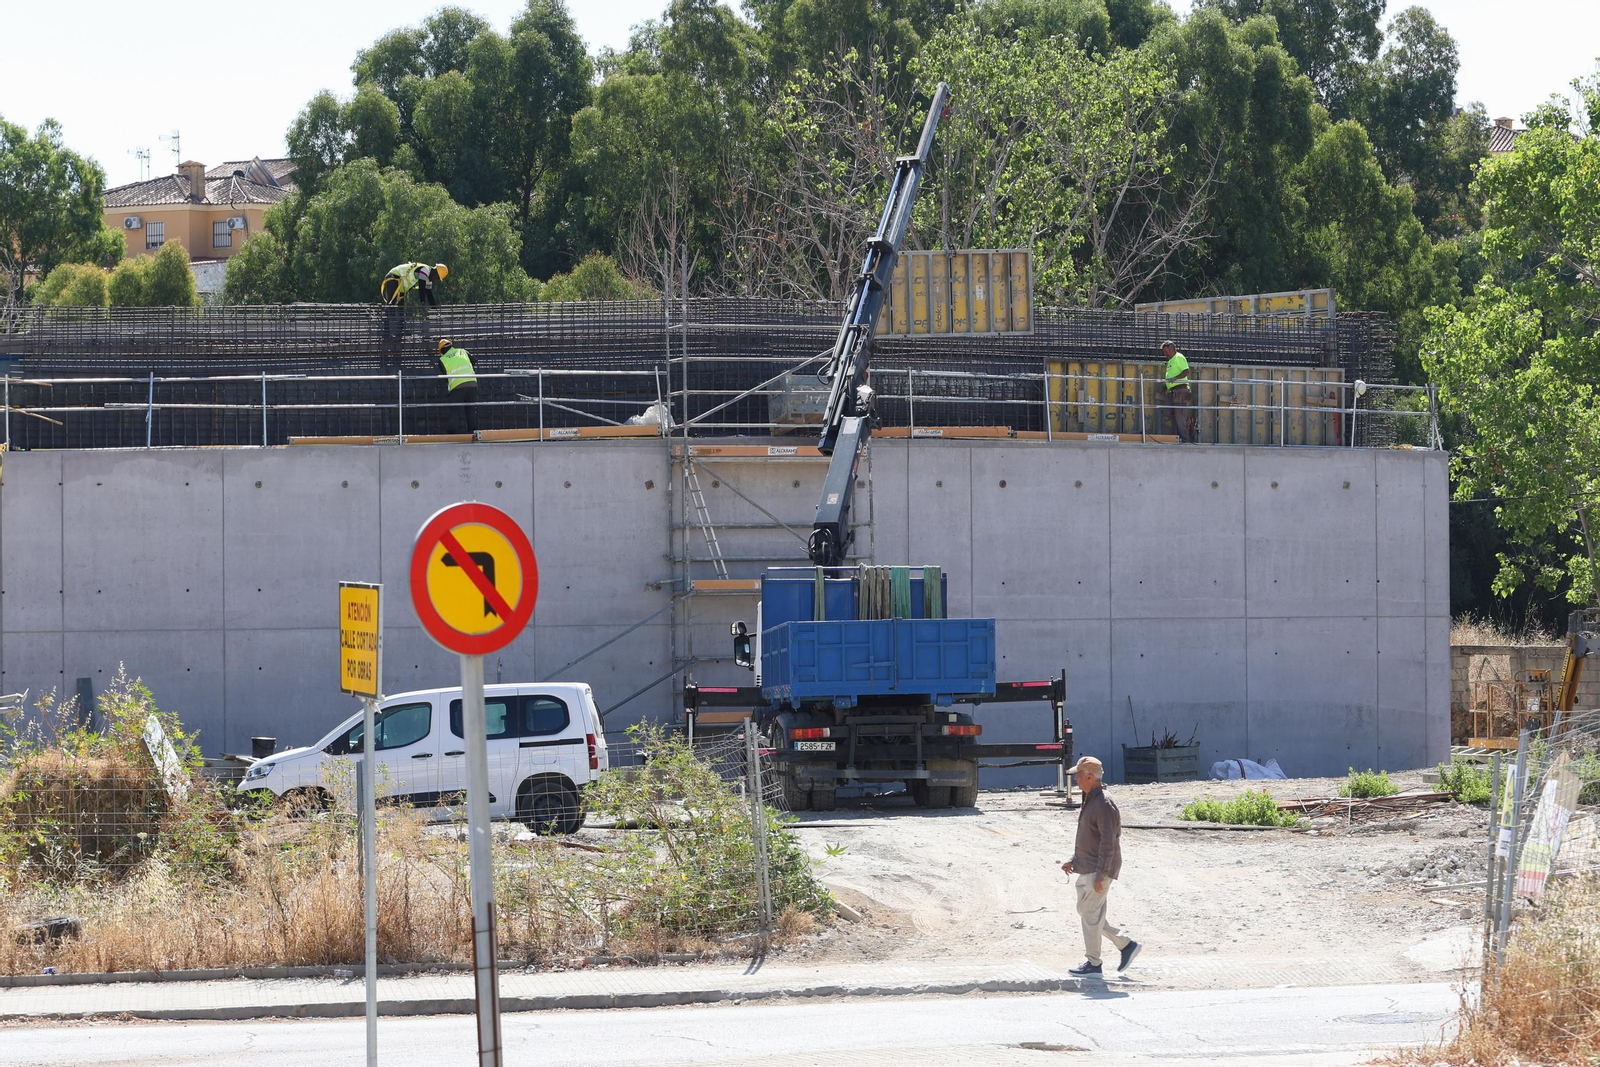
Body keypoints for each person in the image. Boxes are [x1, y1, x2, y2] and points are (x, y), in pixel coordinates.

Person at [1060, 755, 1140, 977]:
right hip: (1087, 866)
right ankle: (1126, 945)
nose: (1075, 778)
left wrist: (1101, 875)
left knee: (1090, 914)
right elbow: (1090, 837)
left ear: (1089, 776)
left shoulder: (1104, 803)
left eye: (1078, 774)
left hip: (1099, 869)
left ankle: (1094, 963)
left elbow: (1109, 841)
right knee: (1087, 913)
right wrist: (1073, 860)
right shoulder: (1090, 798)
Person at [436, 338, 479, 434]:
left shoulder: (442, 360)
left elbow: (445, 376)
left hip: (456, 386)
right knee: (470, 408)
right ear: (451, 345)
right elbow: (474, 360)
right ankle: (473, 431)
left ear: (441, 351)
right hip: (472, 383)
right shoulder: (462, 351)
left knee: (454, 409)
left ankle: (453, 432)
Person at [1160, 339, 1194, 443]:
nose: (1165, 354)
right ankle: (1187, 421)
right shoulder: (1171, 360)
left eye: (1166, 351)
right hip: (1173, 391)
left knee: (1179, 417)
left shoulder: (1179, 357)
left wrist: (1175, 378)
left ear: (1172, 349)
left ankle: (1185, 439)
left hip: (1180, 390)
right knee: (1167, 411)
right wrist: (1166, 386)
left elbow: (1186, 371)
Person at [379, 262, 447, 307]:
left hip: (401, 286)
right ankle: (386, 327)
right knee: (391, 304)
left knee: (401, 309)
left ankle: (401, 327)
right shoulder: (425, 270)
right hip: (394, 277)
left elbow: (429, 294)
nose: (435, 280)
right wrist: (423, 302)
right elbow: (422, 287)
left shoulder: (428, 279)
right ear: (435, 272)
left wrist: (435, 309)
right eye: (437, 278)